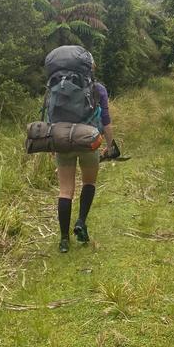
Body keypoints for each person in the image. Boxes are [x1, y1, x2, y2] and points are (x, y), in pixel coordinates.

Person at [54, 66, 114, 253]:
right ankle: (80, 221)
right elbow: (105, 119)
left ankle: (64, 240)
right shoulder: (98, 89)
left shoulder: (58, 87)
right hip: (89, 141)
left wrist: (53, 144)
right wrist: (110, 145)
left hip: (62, 141)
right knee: (89, 183)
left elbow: (51, 116)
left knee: (65, 191)